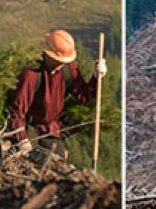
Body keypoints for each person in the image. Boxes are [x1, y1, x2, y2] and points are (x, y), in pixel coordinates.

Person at [6, 29, 106, 160]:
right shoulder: (31, 74)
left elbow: (84, 95)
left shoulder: (68, 69)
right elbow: (16, 111)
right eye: (57, 60)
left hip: (51, 131)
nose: (61, 64)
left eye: (64, 61)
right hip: (28, 130)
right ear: (47, 55)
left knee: (57, 166)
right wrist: (22, 140)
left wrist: (96, 77)